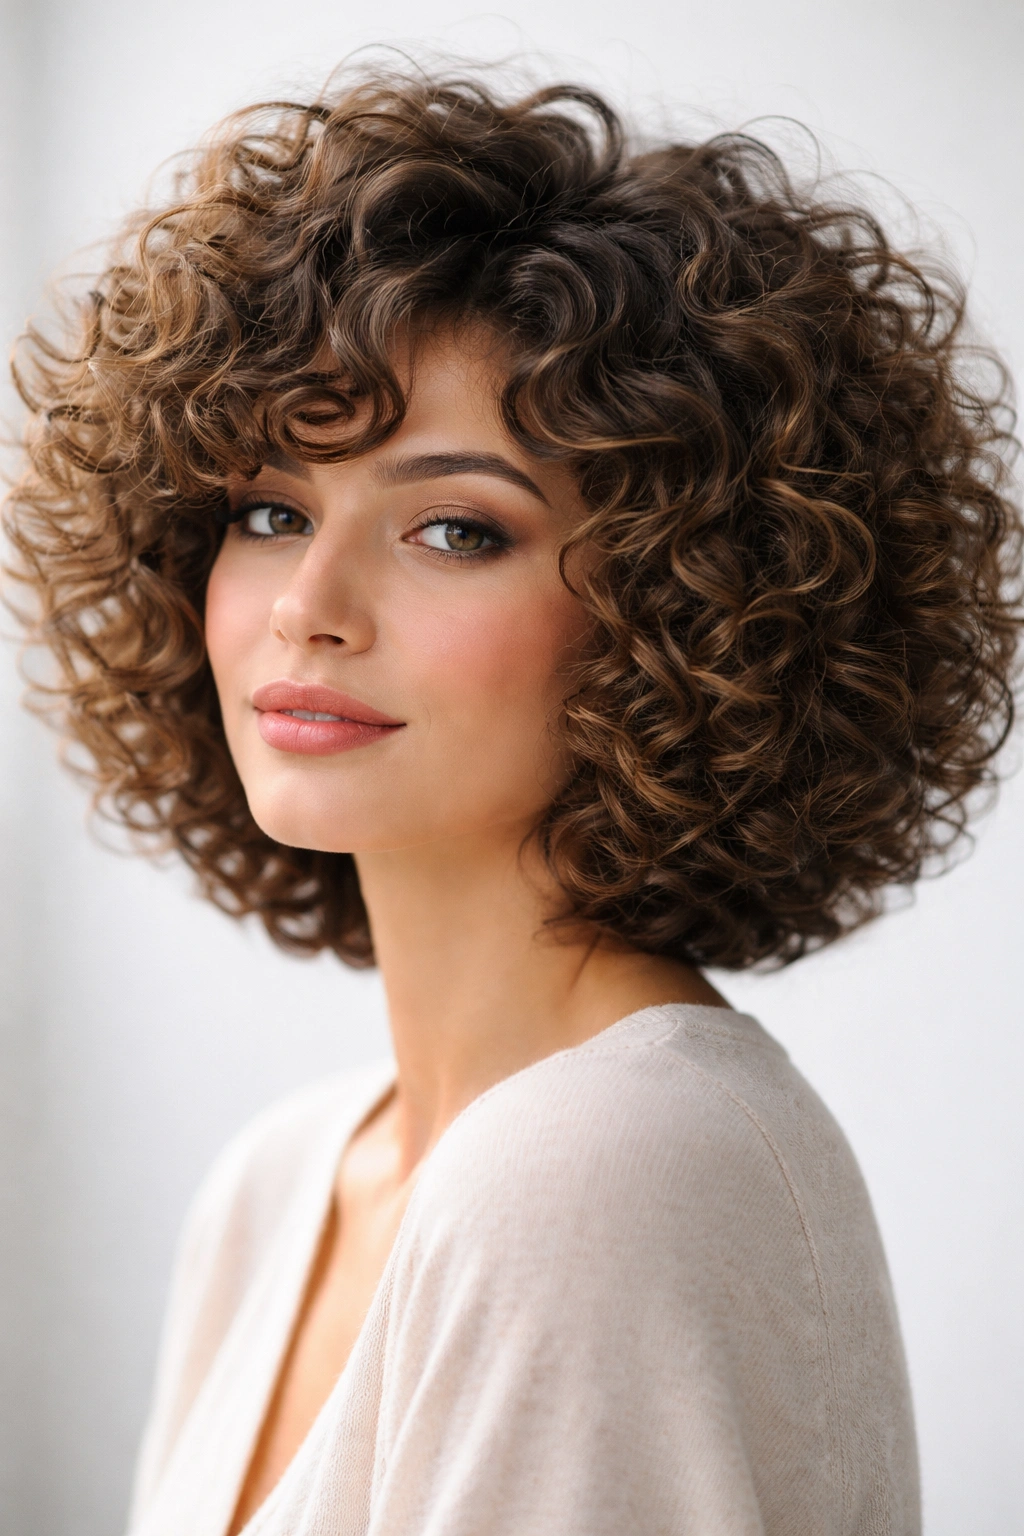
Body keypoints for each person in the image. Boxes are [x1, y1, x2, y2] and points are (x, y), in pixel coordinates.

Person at [6, 64, 1021, 1536]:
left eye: (453, 528)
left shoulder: (611, 1173)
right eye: (270, 511)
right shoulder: (281, 1183)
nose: (309, 606)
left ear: (689, 607)